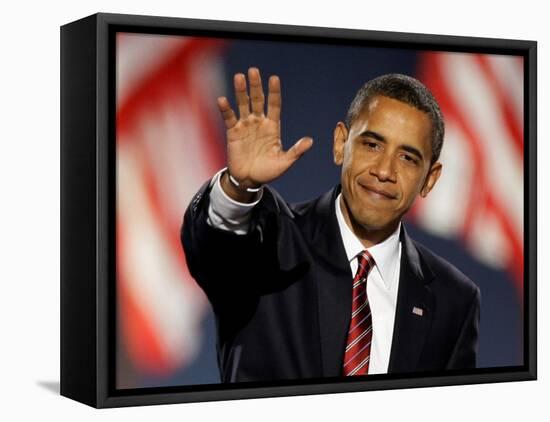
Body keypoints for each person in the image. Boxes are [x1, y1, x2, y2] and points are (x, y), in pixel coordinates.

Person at [181, 67, 480, 383]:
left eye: (407, 158)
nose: (384, 170)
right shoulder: (269, 240)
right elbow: (214, 246)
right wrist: (239, 187)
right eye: (372, 145)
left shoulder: (454, 299)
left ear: (429, 180)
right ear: (341, 144)